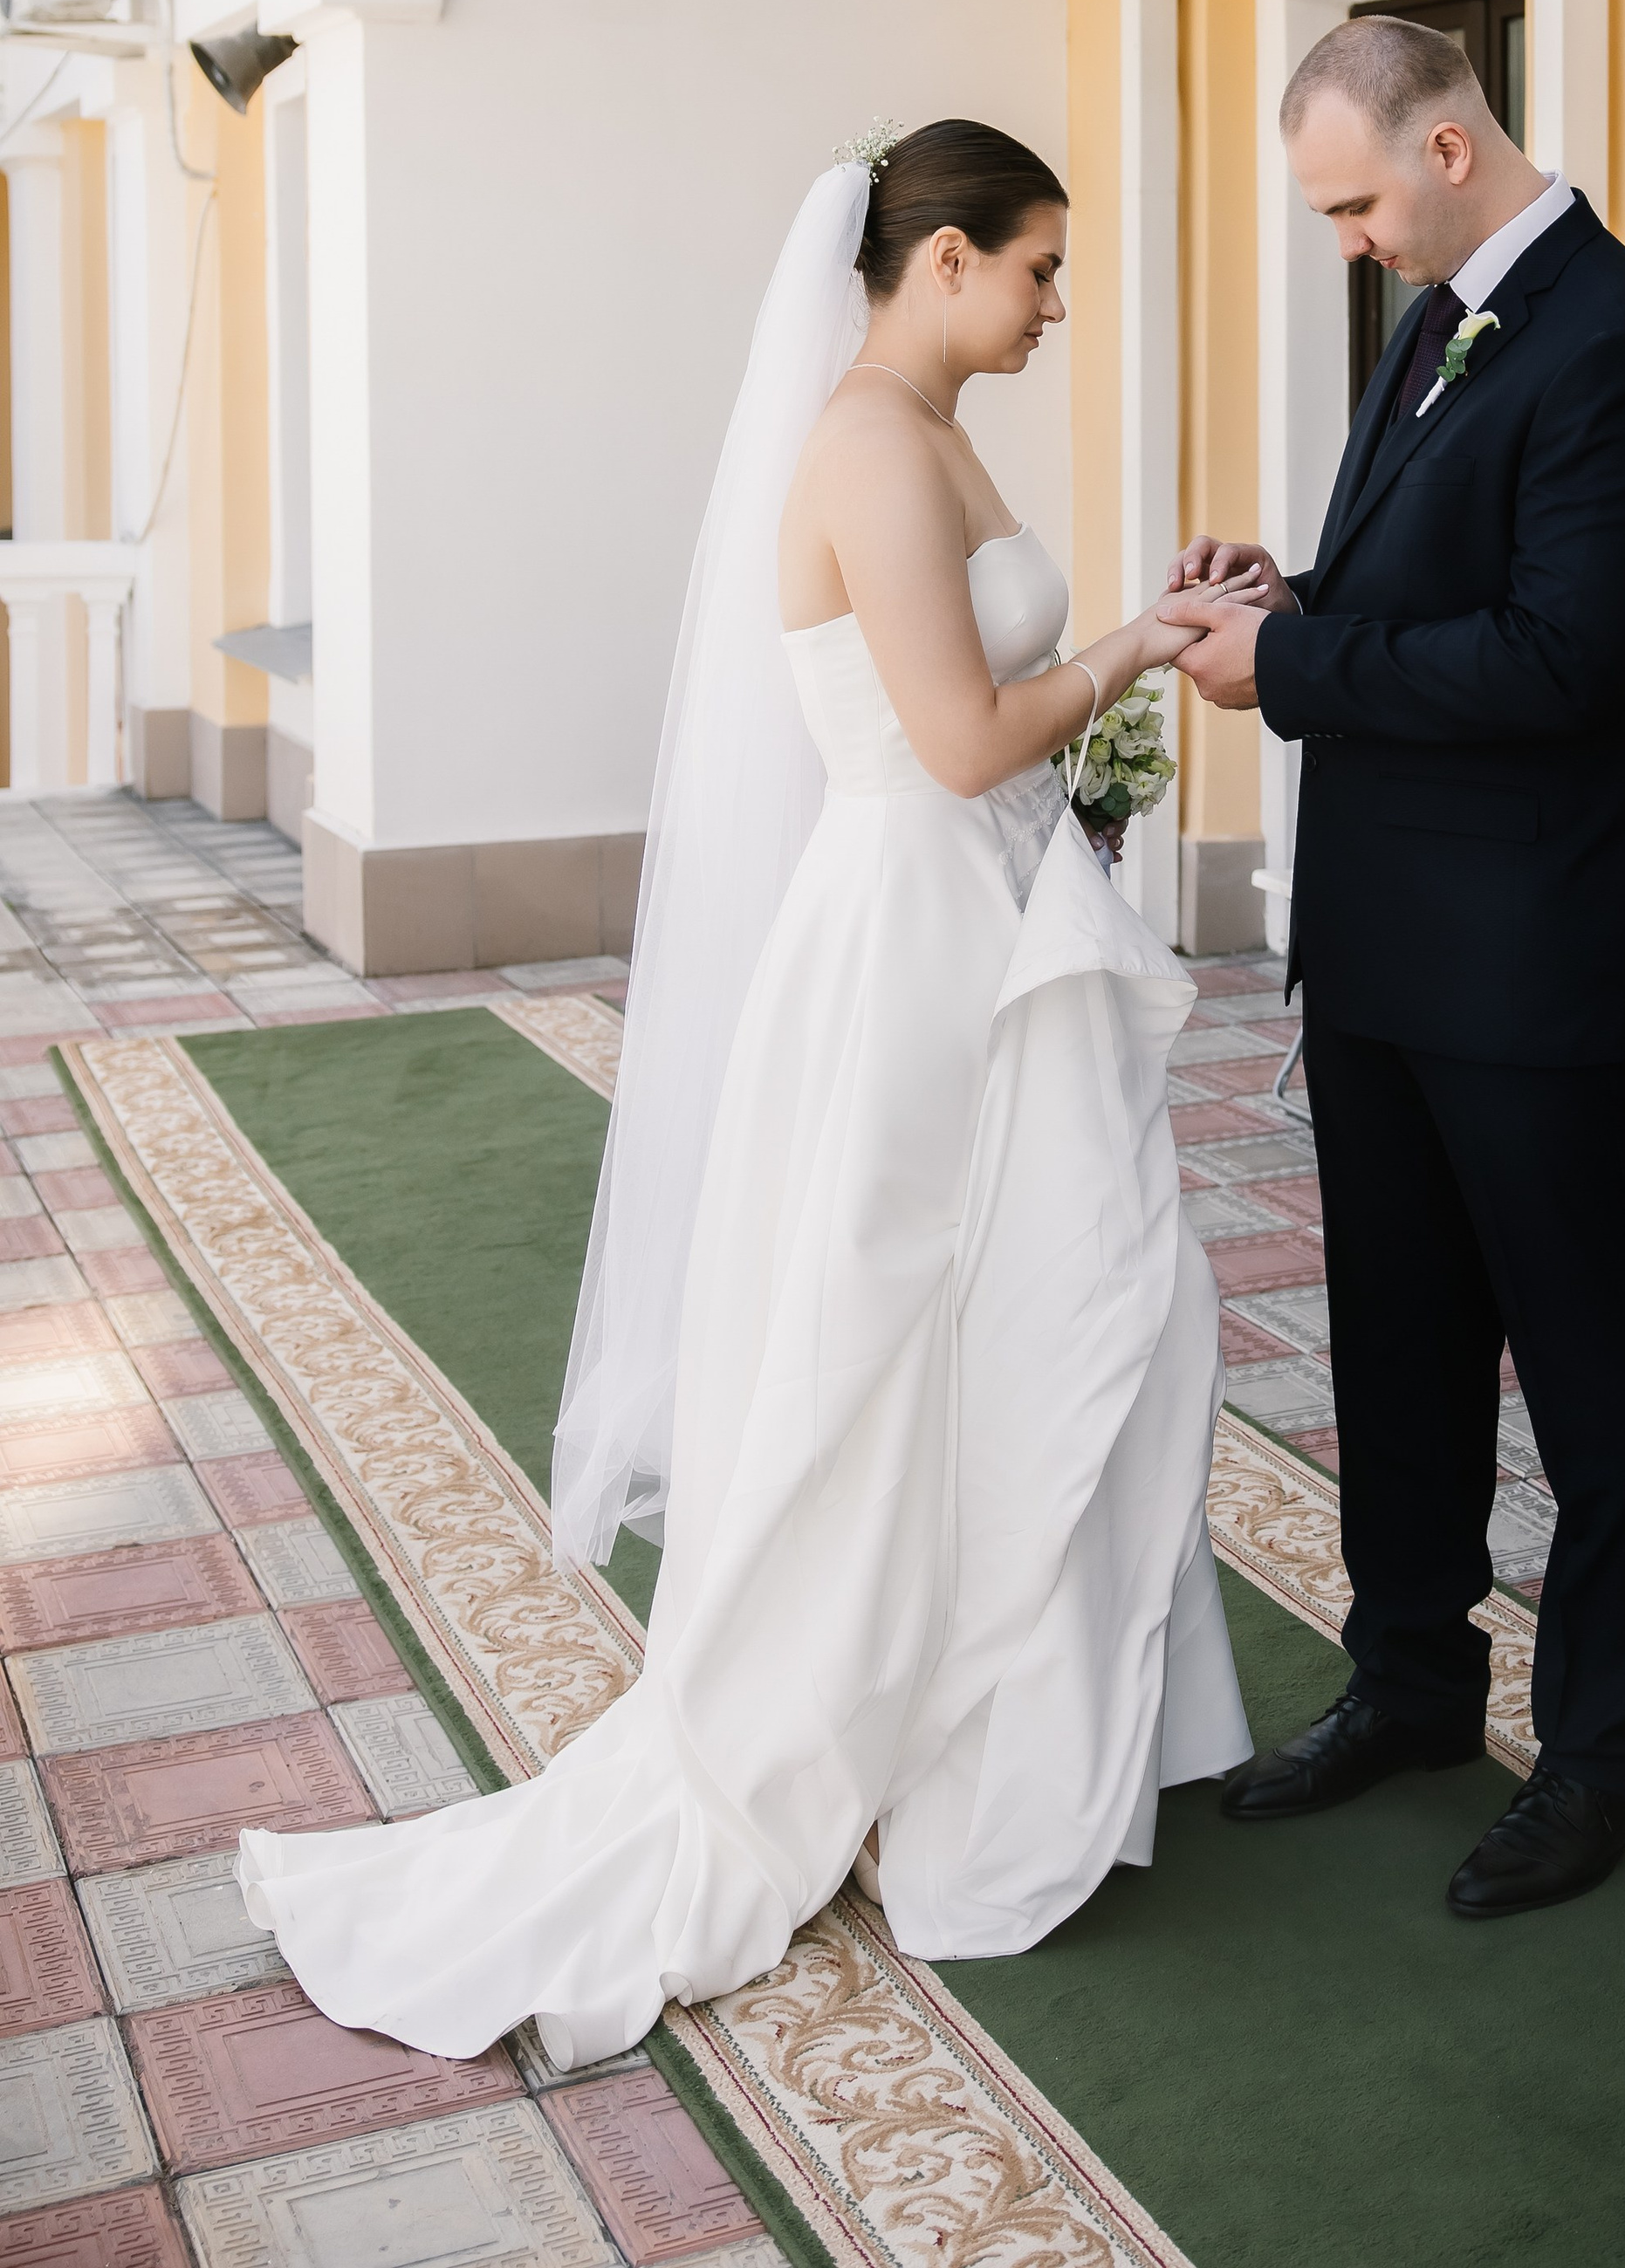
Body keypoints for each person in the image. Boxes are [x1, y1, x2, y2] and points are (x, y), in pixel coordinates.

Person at [233, 121, 1252, 2066]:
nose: (1055, 306)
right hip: (913, 941)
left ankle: (997, 1728)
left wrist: (1138, 632)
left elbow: (979, 690)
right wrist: (1133, 642)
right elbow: (952, 741)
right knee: (897, 1346)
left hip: (984, 928)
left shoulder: (926, 426)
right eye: (1036, 268)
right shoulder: (870, 442)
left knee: (1046, 1312)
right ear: (940, 259)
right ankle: (880, 1739)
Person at [1157, 14, 1625, 1920]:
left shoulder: (1624, 349)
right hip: (1391, 953)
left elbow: (1565, 661)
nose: (1345, 239)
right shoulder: (1434, 313)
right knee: (1399, 1353)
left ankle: (1603, 1757)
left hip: (1543, 961)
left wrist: (1294, 675)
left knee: (1596, 1376)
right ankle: (1410, 1683)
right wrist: (1292, 597)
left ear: (1449, 149)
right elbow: (1440, 596)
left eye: (1351, 199)